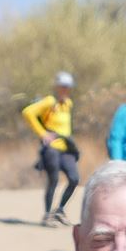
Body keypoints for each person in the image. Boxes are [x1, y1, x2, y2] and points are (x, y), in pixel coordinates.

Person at [22, 71, 81, 227]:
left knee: (74, 179)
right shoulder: (50, 101)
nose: (65, 90)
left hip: (65, 148)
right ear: (57, 87)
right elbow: (28, 112)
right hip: (51, 148)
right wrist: (43, 134)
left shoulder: (68, 103)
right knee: (53, 179)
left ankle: (59, 210)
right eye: (63, 87)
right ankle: (47, 215)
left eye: (68, 87)